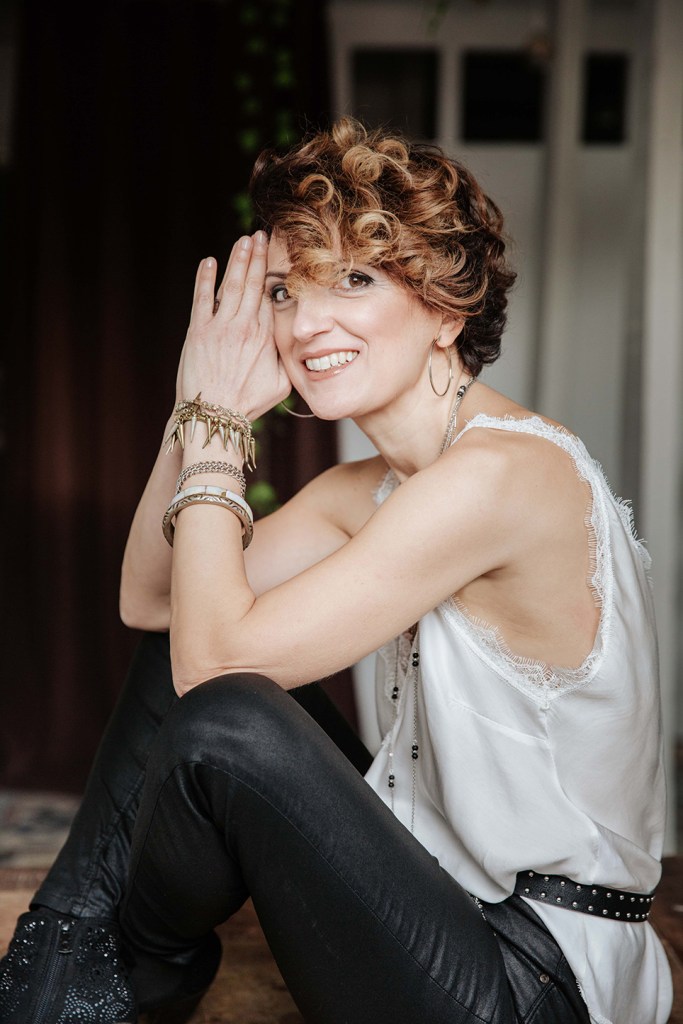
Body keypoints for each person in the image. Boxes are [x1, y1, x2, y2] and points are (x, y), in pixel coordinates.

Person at [0, 118, 672, 1024]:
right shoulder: (371, 488)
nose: (305, 322)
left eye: (354, 278)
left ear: (446, 309)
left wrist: (220, 428)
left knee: (227, 710)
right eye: (284, 290)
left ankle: (80, 984)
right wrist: (197, 404)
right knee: (191, 646)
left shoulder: (503, 474)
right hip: (444, 907)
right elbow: (151, 602)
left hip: (538, 980)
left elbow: (213, 666)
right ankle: (79, 975)